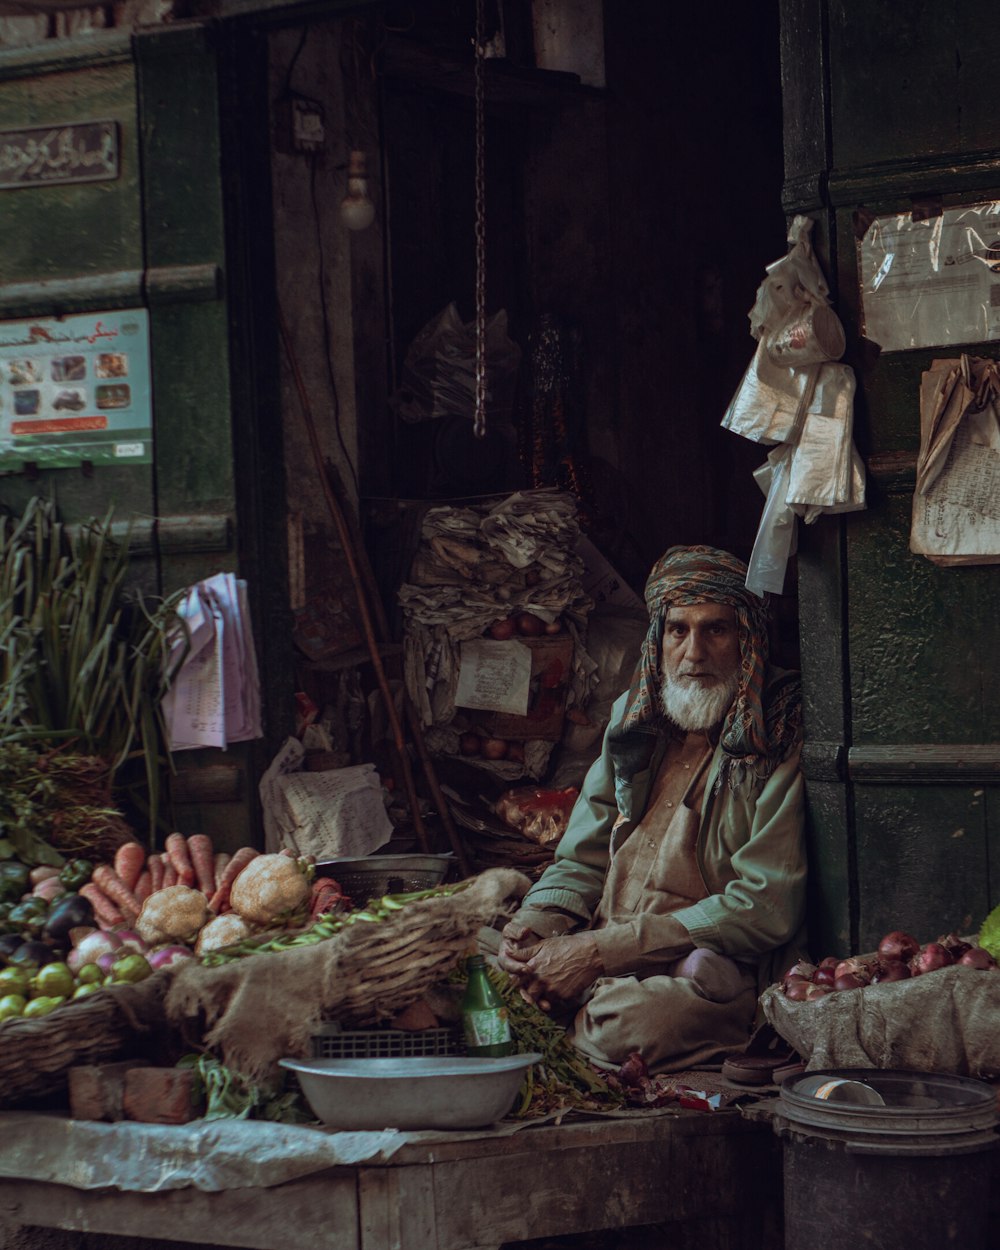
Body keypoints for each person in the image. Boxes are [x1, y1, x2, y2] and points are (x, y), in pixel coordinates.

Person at [498, 544, 806, 1073]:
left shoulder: (778, 733)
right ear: (658, 637)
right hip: (598, 942)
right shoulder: (635, 718)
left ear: (748, 638)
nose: (694, 654)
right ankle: (562, 1002)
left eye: (716, 629)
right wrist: (537, 923)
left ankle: (571, 1012)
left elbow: (765, 905)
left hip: (698, 967)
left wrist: (598, 955)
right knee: (472, 964)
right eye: (678, 630)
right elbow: (581, 857)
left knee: (629, 1023)